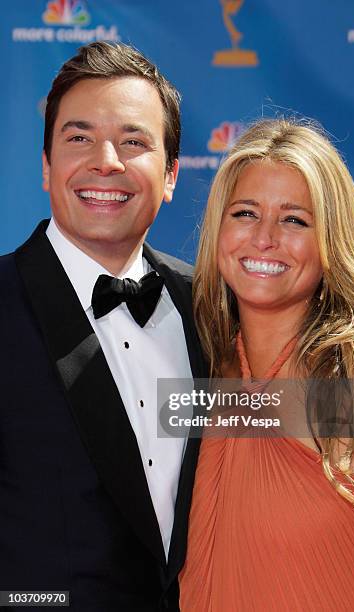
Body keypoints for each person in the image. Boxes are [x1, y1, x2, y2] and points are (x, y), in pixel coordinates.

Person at [0, 42, 207, 611]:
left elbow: (301, 424)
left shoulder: (213, 305)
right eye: (79, 138)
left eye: (134, 142)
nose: (106, 161)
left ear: (169, 176)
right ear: (46, 166)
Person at [180, 118, 354, 610]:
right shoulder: (204, 370)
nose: (264, 238)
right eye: (245, 213)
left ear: (331, 240)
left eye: (294, 220)